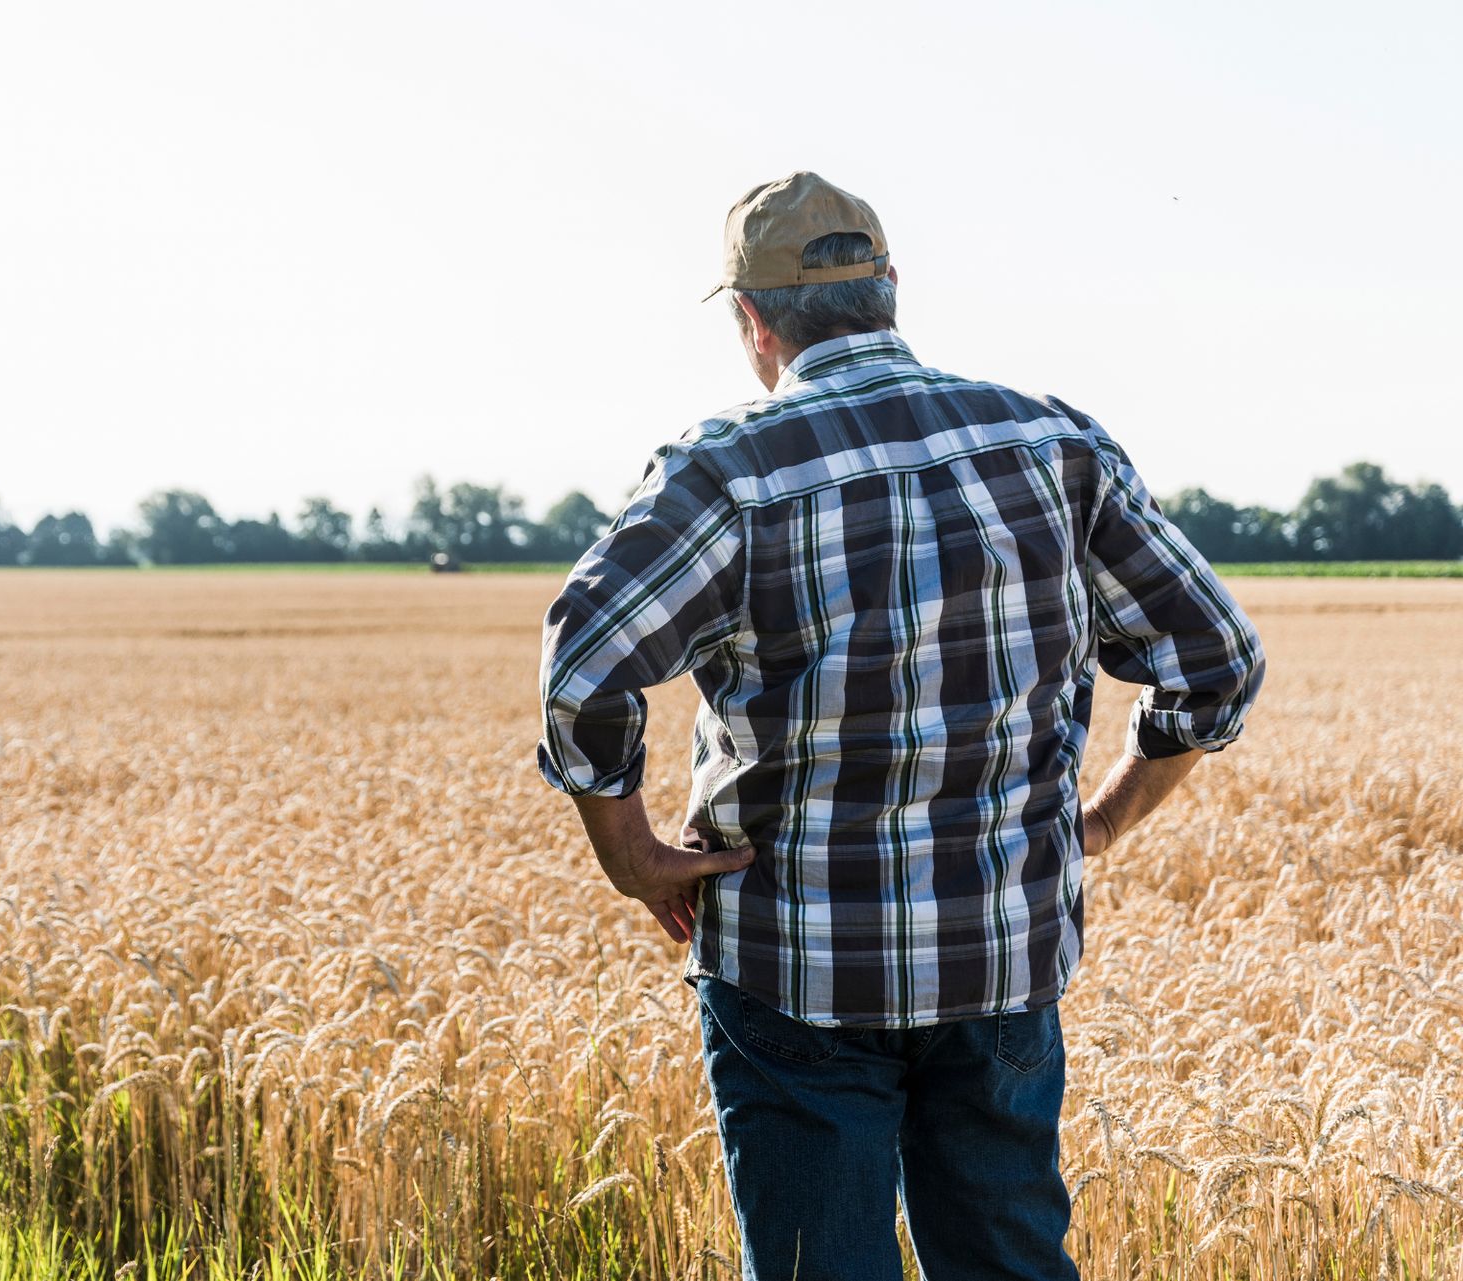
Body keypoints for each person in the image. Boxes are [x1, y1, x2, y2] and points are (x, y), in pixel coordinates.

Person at [534, 171, 1266, 1280]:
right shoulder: (1053, 443)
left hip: (795, 970)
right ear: (889, 287)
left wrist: (630, 856)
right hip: (1003, 955)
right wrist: (1104, 822)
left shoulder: (728, 474)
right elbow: (1218, 661)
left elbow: (584, 670)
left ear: (753, 320)